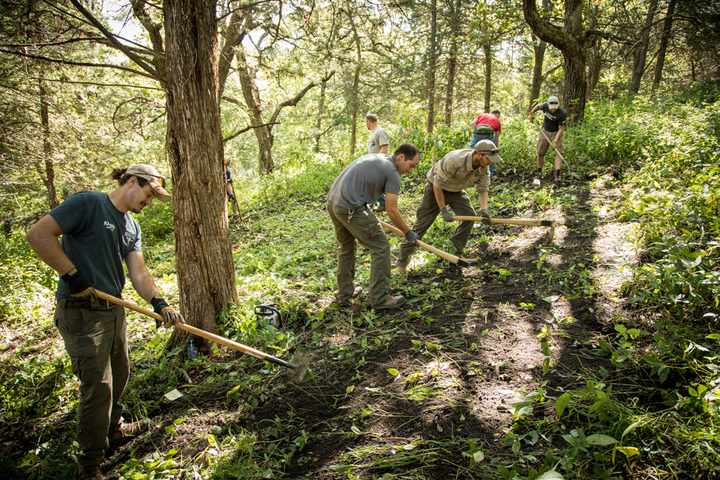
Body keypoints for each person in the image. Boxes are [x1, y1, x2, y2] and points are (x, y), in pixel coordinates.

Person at [25, 164, 185, 480]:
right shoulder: (88, 204)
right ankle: (89, 463)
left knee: (121, 371)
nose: (149, 203)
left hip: (114, 310)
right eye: (149, 194)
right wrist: (72, 275)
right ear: (131, 182)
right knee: (98, 385)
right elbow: (38, 234)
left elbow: (138, 272)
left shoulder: (131, 227)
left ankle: (113, 431)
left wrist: (159, 301)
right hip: (82, 311)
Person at [327, 144, 421, 310]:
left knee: (347, 247)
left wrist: (365, 204)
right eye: (411, 165)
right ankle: (380, 298)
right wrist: (408, 232)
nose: (411, 170)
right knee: (381, 247)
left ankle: (344, 294)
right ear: (401, 157)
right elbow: (391, 210)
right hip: (350, 208)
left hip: (334, 203)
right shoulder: (392, 172)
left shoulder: (380, 158)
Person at [396, 140, 502, 274]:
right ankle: (401, 263)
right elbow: (437, 185)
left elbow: (483, 189)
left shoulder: (483, 167)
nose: (490, 162)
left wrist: (484, 210)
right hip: (435, 189)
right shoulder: (455, 160)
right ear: (479, 154)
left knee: (470, 217)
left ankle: (454, 253)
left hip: (456, 190)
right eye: (489, 159)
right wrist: (443, 210)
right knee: (422, 224)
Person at [528, 95, 567, 182]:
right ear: (548, 105)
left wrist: (556, 141)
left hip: (556, 132)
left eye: (555, 108)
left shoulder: (562, 113)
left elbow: (561, 129)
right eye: (551, 108)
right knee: (540, 151)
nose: (553, 110)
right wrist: (532, 113)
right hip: (545, 131)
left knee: (558, 152)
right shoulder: (545, 106)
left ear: (558, 105)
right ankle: (539, 172)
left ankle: (557, 174)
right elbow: (538, 106)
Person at [365, 113, 390, 212]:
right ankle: (381, 203)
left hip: (379, 163)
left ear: (368, 121)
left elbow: (384, 147)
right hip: (372, 162)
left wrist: (377, 159)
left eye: (366, 122)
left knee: (372, 183)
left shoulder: (380, 131)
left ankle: (372, 205)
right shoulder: (373, 133)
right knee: (372, 183)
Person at [469, 109, 502, 178]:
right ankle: (489, 176)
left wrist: (475, 133)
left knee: (472, 153)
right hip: (488, 136)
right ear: (497, 114)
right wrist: (495, 147)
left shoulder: (482, 115)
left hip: (477, 134)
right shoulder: (497, 121)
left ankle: (470, 174)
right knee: (491, 155)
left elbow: (473, 123)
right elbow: (496, 136)